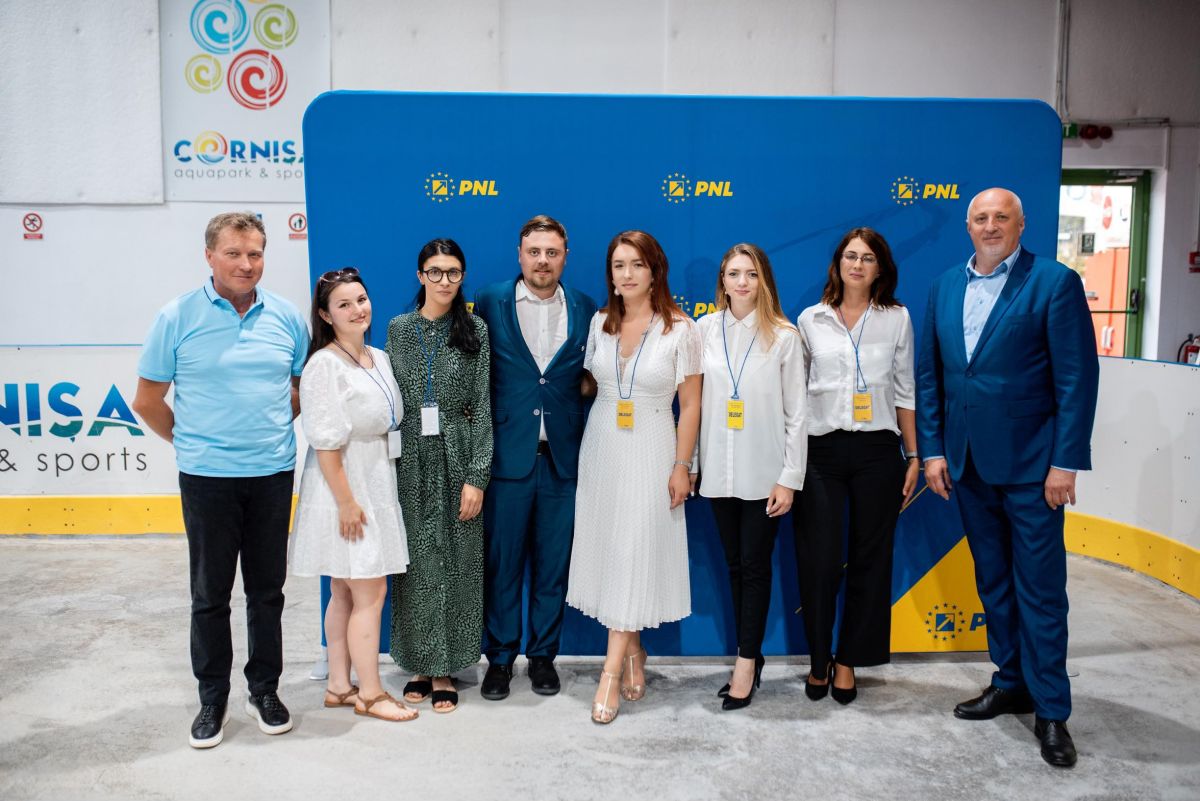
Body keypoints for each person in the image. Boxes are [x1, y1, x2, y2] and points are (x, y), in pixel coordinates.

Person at [916, 187, 1099, 768]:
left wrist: (1065, 463)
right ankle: (1011, 681)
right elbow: (932, 378)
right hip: (967, 465)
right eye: (981, 218)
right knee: (993, 583)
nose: (990, 225)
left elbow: (1077, 379)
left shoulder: (1055, 283)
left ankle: (1052, 710)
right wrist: (933, 452)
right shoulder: (945, 286)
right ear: (967, 226)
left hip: (1033, 469)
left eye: (1002, 217)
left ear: (1022, 225)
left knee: (1040, 591)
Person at [132, 212, 309, 748]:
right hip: (207, 479)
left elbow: (300, 388)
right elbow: (147, 400)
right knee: (210, 595)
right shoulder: (176, 316)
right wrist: (192, 444)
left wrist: (269, 429)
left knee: (267, 592)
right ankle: (213, 698)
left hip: (272, 474)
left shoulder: (286, 316)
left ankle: (264, 691)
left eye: (255, 253)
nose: (245, 263)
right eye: (233, 253)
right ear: (209, 255)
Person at [565, 230, 703, 724]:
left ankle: (608, 672)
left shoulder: (681, 329)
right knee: (615, 552)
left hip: (652, 448)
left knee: (633, 549)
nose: (627, 274)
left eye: (637, 264)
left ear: (655, 270)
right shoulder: (600, 323)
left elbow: (691, 406)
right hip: (603, 447)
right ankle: (633, 652)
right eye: (619, 265)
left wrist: (683, 465)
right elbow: (592, 384)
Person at [473, 215, 599, 700]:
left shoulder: (586, 306)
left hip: (563, 461)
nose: (542, 261)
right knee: (503, 566)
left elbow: (585, 377)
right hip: (507, 459)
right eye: (534, 252)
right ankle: (501, 659)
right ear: (519, 255)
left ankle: (543, 656)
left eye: (552, 252)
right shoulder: (490, 300)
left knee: (552, 566)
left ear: (565, 257)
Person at [794, 226, 919, 706]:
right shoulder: (811, 320)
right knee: (821, 560)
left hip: (877, 451)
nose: (858, 265)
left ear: (880, 267)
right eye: (851, 256)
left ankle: (848, 660)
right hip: (820, 452)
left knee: (871, 558)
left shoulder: (896, 319)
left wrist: (913, 455)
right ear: (838, 264)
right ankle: (819, 658)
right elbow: (796, 395)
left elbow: (905, 391)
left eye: (867, 258)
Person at [289, 268, 417, 722]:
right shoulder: (324, 365)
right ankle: (371, 694)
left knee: (344, 590)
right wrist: (346, 502)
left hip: (375, 474)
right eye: (344, 304)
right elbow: (324, 442)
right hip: (345, 483)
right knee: (370, 591)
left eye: (361, 299)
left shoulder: (377, 357)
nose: (357, 310)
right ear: (326, 315)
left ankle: (340, 686)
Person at [696, 243, 806, 711]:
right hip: (718, 469)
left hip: (765, 472)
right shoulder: (703, 330)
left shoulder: (784, 336)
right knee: (734, 565)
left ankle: (745, 664)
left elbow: (797, 413)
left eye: (751, 274)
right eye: (734, 274)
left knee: (756, 566)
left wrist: (789, 478)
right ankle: (751, 654)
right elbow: (693, 403)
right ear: (722, 281)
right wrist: (692, 463)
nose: (742, 282)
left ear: (764, 282)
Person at [386, 238, 493, 714]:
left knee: (457, 562)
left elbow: (481, 407)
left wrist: (477, 475)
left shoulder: (476, 330)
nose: (444, 280)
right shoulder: (398, 329)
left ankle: (446, 667)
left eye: (452, 272)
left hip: (459, 453)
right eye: (435, 271)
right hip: (410, 457)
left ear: (462, 276)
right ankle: (419, 663)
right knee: (416, 564)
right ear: (420, 276)